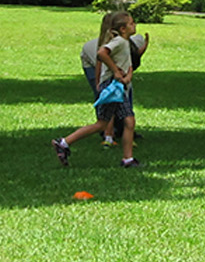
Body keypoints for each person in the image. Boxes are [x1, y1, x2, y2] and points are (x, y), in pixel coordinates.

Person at [58, 10, 147, 167]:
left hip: (118, 86)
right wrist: (115, 71)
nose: (135, 25)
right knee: (116, 123)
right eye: (132, 23)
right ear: (123, 29)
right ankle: (64, 143)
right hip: (112, 87)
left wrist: (126, 76)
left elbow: (127, 65)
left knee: (116, 122)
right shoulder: (118, 41)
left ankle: (127, 159)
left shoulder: (125, 42)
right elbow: (101, 53)